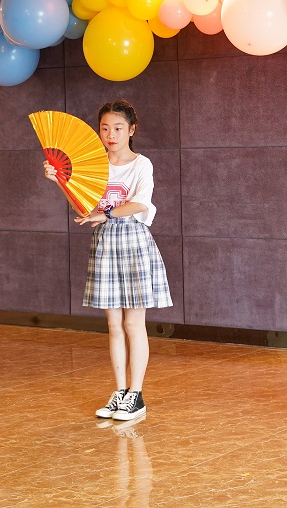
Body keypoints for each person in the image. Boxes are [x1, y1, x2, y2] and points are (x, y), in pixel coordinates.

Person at [43, 100, 171, 421]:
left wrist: (107, 214)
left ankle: (136, 395)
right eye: (104, 128)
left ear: (131, 130)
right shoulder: (94, 164)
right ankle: (120, 392)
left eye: (118, 128)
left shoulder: (142, 164)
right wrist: (60, 181)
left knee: (133, 323)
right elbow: (84, 208)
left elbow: (140, 204)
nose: (111, 135)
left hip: (134, 241)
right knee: (113, 324)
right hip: (105, 243)